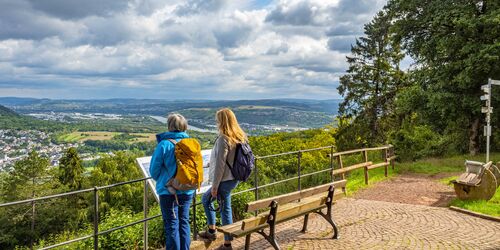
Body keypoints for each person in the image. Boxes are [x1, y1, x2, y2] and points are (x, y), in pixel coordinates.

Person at [198, 108, 247, 250]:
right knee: (225, 207)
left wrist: (214, 187)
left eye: (218, 120)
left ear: (223, 121)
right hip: (233, 178)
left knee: (207, 200)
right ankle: (214, 232)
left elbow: (220, 165)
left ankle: (222, 240)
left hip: (224, 180)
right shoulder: (239, 137)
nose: (216, 122)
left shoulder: (223, 139)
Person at [150, 113, 194, 250]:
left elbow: (154, 171)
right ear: (184, 126)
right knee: (184, 223)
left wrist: (166, 180)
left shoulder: (164, 145)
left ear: (169, 126)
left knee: (172, 225)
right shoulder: (191, 143)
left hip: (168, 191)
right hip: (187, 190)